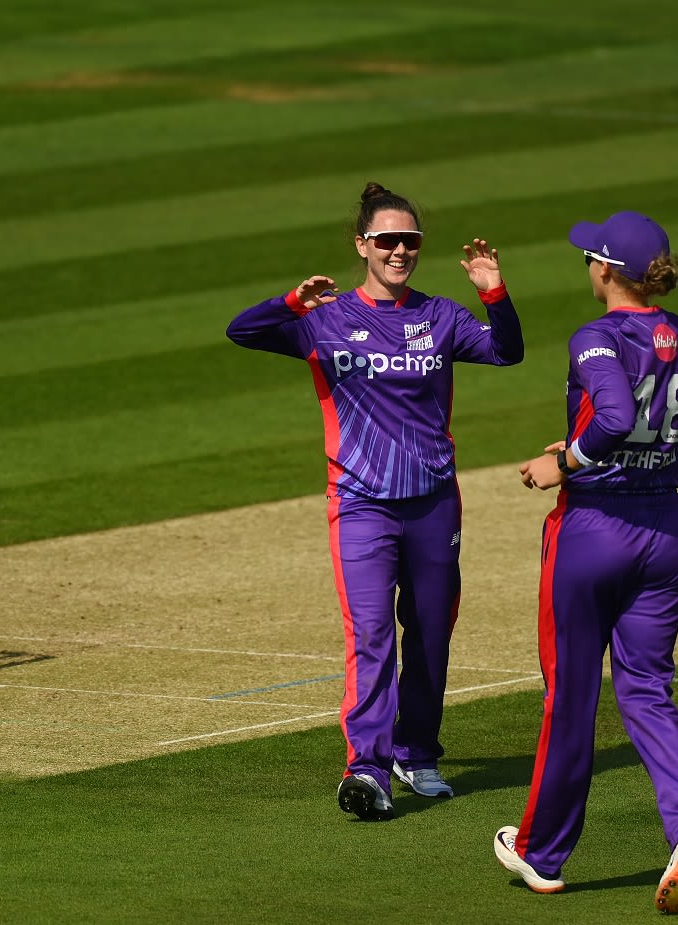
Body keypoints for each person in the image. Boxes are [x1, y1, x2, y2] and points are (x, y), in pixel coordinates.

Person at [226, 182, 524, 820]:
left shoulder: (440, 316)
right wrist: (290, 301)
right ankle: (367, 767)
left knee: (430, 638)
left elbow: (506, 352)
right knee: (371, 637)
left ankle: (417, 754)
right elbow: (240, 332)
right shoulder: (323, 320)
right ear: (361, 245)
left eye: (409, 242)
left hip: (433, 504)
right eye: (386, 240)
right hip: (360, 504)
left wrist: (493, 291)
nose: (398, 251)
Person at [493, 211, 678, 913]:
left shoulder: (595, 336)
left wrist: (564, 458)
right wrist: (635, 456)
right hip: (667, 530)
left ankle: (542, 852)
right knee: (648, 690)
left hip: (595, 529)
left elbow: (616, 417)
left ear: (604, 269)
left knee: (570, 696)